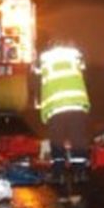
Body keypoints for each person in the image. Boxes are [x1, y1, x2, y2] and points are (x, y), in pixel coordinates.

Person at [36, 43, 91, 183]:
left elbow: (36, 73)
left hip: (57, 106)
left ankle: (58, 174)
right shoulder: (75, 56)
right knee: (78, 138)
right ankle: (80, 173)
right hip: (77, 103)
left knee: (57, 140)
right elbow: (83, 68)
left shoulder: (45, 59)